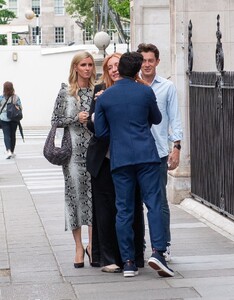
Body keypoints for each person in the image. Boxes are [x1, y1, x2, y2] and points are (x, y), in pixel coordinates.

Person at [94, 51, 174, 278]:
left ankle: (128, 262)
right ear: (137, 70)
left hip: (120, 158)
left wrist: (118, 133)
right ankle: (158, 252)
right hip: (146, 155)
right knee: (154, 204)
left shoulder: (106, 96)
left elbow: (101, 132)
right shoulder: (146, 91)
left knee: (124, 209)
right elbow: (157, 119)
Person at [86, 53, 145, 273]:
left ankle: (132, 256)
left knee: (131, 207)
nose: (114, 69)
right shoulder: (99, 91)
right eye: (110, 67)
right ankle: (108, 258)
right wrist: (99, 109)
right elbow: (93, 128)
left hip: (130, 160)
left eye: (117, 65)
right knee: (104, 209)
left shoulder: (137, 90)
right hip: (104, 159)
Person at [137, 43, 183, 261]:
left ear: (157, 62)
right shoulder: (132, 85)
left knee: (159, 202)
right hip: (134, 153)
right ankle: (139, 245)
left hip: (158, 152)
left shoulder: (167, 87)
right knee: (134, 203)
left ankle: (163, 244)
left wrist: (177, 147)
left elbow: (175, 119)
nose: (147, 64)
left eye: (150, 60)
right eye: (143, 60)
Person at [51, 51, 96, 268]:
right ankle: (78, 246)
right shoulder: (65, 92)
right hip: (73, 155)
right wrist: (74, 118)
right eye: (83, 65)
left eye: (90, 65)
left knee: (94, 198)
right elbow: (55, 120)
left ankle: (92, 245)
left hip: (96, 152)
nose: (87, 68)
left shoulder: (98, 91)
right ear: (75, 67)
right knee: (75, 198)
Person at [0, 81, 22, 159]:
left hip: (4, 119)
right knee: (13, 135)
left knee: (6, 135)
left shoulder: (1, 97)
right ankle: (12, 151)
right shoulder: (16, 97)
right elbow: (20, 108)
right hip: (14, 119)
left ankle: (8, 150)